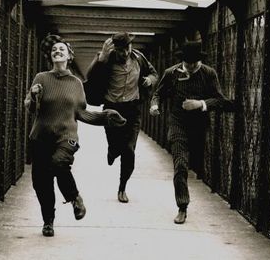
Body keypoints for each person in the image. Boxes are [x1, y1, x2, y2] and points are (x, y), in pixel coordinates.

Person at [24, 34, 126, 237]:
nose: (57, 51)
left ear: (69, 55)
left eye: (61, 49)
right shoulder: (41, 78)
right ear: (51, 56)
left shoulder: (76, 83)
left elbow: (82, 113)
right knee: (41, 183)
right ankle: (48, 222)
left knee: (59, 163)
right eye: (54, 50)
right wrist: (33, 95)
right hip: (41, 136)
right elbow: (31, 109)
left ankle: (75, 198)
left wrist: (105, 117)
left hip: (66, 136)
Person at [150, 40, 234, 224]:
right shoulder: (171, 73)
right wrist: (155, 105)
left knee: (194, 163)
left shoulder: (208, 73)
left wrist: (200, 104)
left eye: (194, 64)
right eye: (187, 64)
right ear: (182, 62)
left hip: (198, 126)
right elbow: (158, 93)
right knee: (180, 164)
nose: (190, 67)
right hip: (178, 123)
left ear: (199, 62)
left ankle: (196, 173)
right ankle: (182, 206)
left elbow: (221, 101)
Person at [84, 32, 158, 203]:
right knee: (115, 144)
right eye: (119, 50)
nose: (123, 53)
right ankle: (112, 150)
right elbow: (90, 77)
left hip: (132, 109)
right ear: (114, 49)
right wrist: (101, 58)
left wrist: (149, 80)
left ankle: (122, 188)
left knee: (129, 150)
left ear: (130, 46)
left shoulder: (139, 58)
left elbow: (154, 74)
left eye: (126, 48)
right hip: (111, 109)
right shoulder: (106, 59)